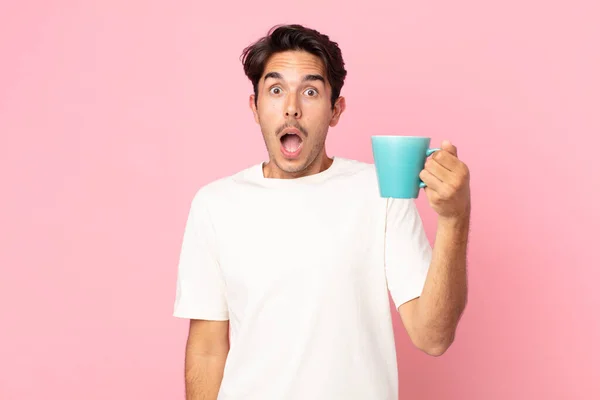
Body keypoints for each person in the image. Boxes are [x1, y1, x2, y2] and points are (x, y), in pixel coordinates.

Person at [173, 24, 471, 400]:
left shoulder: (382, 192)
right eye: (276, 90)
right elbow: (206, 348)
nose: (292, 107)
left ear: (336, 110)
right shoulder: (214, 204)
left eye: (310, 91)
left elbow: (433, 336)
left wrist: (454, 219)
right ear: (255, 107)